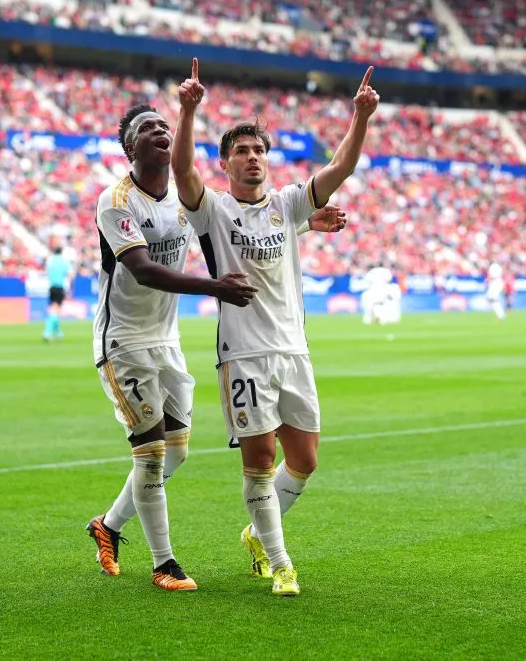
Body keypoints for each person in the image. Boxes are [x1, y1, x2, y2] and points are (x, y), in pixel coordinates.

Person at [86, 103, 346, 591]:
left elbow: (241, 229)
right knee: (151, 455)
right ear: (130, 147)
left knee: (177, 452)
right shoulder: (116, 200)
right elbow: (142, 270)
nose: (161, 131)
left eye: (165, 125)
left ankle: (109, 524)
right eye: (149, 128)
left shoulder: (181, 206)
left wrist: (307, 224)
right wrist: (215, 288)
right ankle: (165, 564)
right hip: (124, 341)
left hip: (167, 340)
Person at [171, 58, 367, 597]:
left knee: (304, 460)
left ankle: (257, 535)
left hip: (294, 350)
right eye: (241, 151)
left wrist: (361, 116)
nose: (253, 158)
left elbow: (341, 168)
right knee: (259, 461)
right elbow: (182, 172)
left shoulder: (286, 206)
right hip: (245, 353)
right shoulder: (211, 211)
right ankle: (281, 562)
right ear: (226, 163)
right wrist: (187, 111)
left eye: (259, 150)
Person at [43, 246, 72, 342]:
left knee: (55, 310)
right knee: (55, 311)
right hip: (60, 287)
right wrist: (70, 288)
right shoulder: (64, 261)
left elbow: (46, 272)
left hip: (51, 287)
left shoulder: (50, 261)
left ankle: (58, 333)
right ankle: (47, 332)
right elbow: (70, 274)